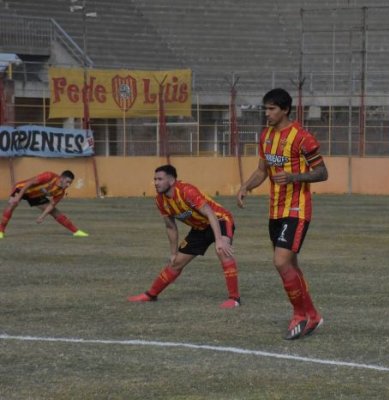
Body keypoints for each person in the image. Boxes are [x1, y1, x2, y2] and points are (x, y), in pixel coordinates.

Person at [237, 88, 328, 340]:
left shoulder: (302, 137)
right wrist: (246, 186)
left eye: (271, 109)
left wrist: (294, 177)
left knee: (280, 262)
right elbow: (262, 170)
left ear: (285, 109)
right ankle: (314, 315)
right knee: (290, 265)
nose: (267, 113)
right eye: (265, 109)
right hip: (275, 211)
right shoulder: (265, 136)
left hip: (297, 209)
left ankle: (300, 315)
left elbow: (322, 172)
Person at [128, 165, 241, 309]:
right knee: (176, 263)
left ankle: (234, 298)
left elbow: (210, 213)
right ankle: (151, 295)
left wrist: (219, 240)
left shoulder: (186, 191)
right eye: (155, 179)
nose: (156, 183)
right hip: (199, 228)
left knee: (222, 251)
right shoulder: (160, 201)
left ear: (171, 180)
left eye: (160, 179)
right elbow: (170, 227)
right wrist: (173, 253)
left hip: (220, 220)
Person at [0, 170, 88, 239]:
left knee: (54, 211)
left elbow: (51, 205)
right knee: (12, 204)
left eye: (70, 183)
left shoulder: (60, 192)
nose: (68, 185)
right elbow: (29, 183)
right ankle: (1, 232)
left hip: (35, 195)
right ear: (62, 178)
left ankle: (76, 231)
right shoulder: (49, 176)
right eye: (68, 182)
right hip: (22, 188)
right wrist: (18, 197)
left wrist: (42, 216)